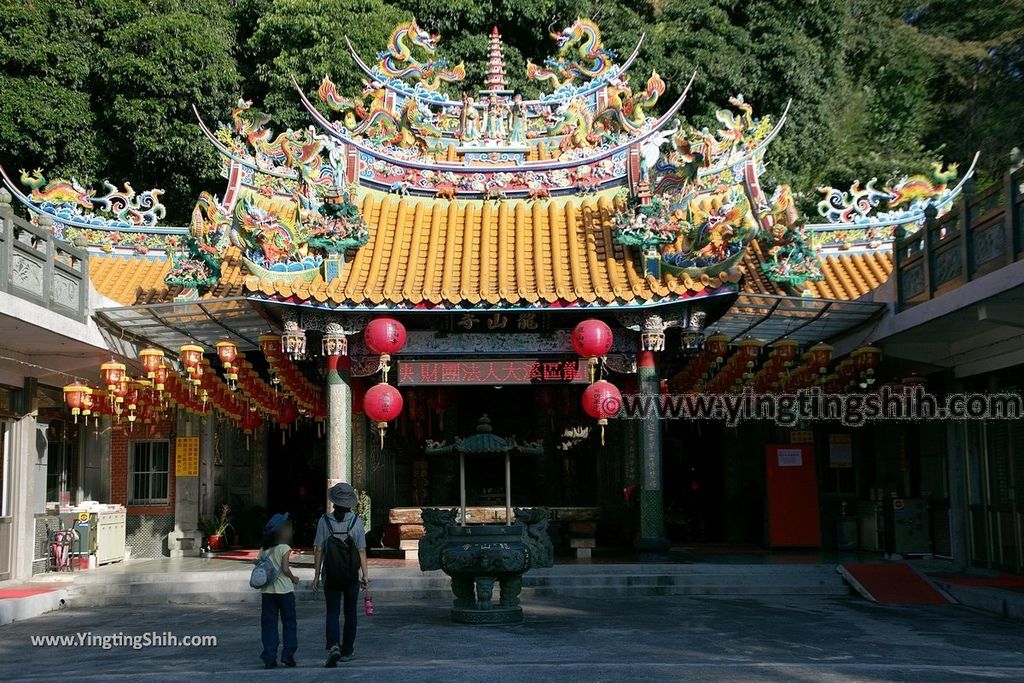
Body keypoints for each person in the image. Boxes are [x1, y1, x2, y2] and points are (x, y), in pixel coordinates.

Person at [312, 482, 368, 667]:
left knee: (333, 612)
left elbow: (318, 549)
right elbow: (361, 551)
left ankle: (333, 645)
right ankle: (348, 650)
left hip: (331, 574)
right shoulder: (356, 522)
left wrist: (316, 575)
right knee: (351, 613)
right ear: (350, 502)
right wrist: (365, 575)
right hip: (351, 575)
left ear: (334, 502)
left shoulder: (324, 521)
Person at [259, 513, 299, 669]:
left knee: (269, 625)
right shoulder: (285, 548)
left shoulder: (264, 549)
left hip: (267, 592)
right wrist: (294, 578)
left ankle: (269, 656)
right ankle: (288, 654)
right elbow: (285, 568)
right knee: (289, 623)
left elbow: (259, 564)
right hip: (285, 591)